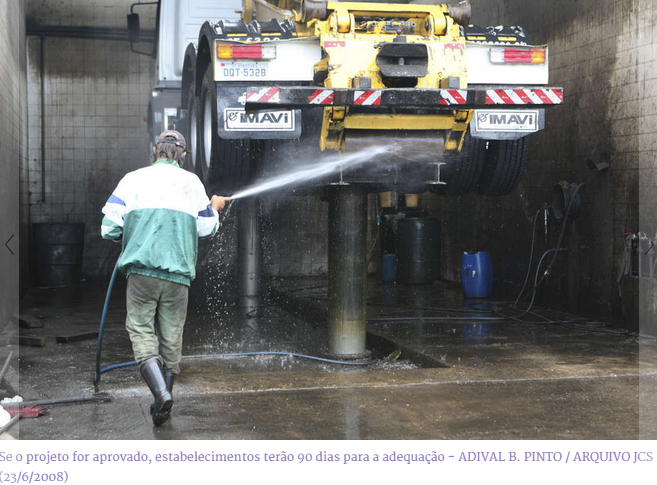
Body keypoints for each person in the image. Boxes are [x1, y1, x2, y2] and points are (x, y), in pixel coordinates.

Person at [100, 130, 230, 426]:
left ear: (154, 150)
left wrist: (128, 233)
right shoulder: (192, 183)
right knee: (171, 336)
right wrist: (214, 208)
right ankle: (163, 402)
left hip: (142, 274)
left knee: (142, 332)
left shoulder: (132, 179)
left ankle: (160, 395)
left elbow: (109, 228)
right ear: (183, 155)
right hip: (178, 277)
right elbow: (206, 229)